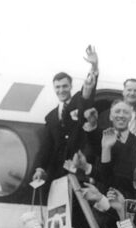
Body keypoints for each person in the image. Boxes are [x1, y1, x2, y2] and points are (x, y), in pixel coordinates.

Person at [33, 46, 99, 183]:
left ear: (71, 86)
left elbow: (87, 90)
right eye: (58, 87)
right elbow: (47, 145)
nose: (61, 90)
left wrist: (94, 66)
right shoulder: (51, 117)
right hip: (57, 174)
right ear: (54, 88)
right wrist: (40, 168)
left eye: (65, 86)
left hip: (78, 173)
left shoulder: (78, 102)